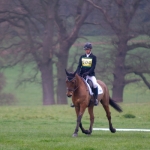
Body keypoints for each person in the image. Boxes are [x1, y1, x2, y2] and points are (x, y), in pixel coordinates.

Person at [71, 42, 99, 107]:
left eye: (88, 49)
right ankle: (73, 101)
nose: (87, 51)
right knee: (75, 84)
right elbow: (79, 66)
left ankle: (95, 99)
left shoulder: (93, 57)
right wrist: (78, 72)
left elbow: (93, 67)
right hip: (82, 75)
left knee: (94, 84)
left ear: (90, 49)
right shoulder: (82, 57)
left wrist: (88, 73)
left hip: (90, 75)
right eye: (86, 50)